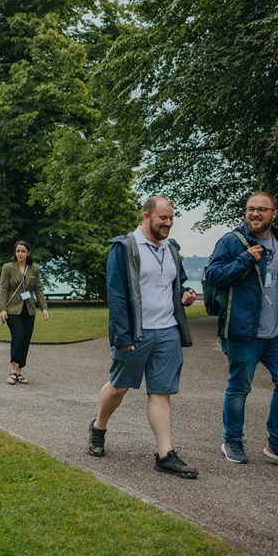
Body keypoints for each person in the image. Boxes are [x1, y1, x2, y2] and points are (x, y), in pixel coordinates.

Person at [88, 196, 199, 479]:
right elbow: (116, 295)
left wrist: (184, 295)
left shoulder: (171, 249)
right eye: (163, 218)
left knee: (161, 391)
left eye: (171, 218)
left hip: (168, 330)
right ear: (146, 216)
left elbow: (175, 283)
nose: (168, 223)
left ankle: (165, 454)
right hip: (136, 332)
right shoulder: (124, 247)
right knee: (119, 387)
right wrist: (123, 336)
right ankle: (98, 426)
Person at [204, 192, 278, 471]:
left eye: (262, 209)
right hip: (243, 333)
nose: (255, 213)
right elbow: (213, 275)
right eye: (250, 209)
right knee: (239, 387)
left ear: (274, 214)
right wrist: (245, 259)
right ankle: (232, 440)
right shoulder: (232, 241)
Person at [0, 240, 50, 384]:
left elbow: (38, 288)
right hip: (12, 309)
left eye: (23, 251)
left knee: (26, 339)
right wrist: (3, 309)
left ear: (28, 253)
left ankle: (19, 372)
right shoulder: (8, 267)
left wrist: (44, 307)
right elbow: (3, 289)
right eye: (18, 251)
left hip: (29, 309)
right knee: (19, 336)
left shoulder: (34, 268)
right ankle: (13, 371)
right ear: (15, 253)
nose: (20, 254)